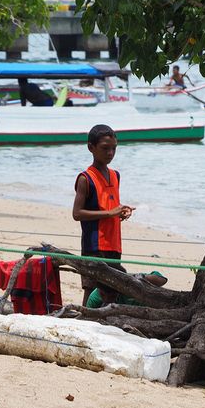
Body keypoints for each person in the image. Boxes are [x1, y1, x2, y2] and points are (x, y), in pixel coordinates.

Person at [72, 124, 134, 306]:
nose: (110, 153)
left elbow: (111, 205)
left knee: (112, 291)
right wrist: (110, 213)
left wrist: (121, 212)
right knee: (91, 290)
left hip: (114, 242)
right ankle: (85, 318)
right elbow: (77, 213)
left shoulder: (116, 175)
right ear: (91, 147)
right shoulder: (85, 178)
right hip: (94, 244)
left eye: (114, 148)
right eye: (105, 148)